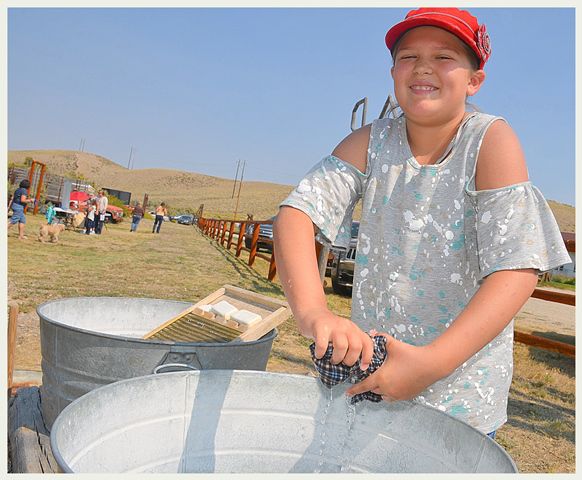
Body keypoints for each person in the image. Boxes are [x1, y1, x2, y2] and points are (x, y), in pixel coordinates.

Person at [273, 7, 571, 438]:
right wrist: (315, 313)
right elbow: (297, 214)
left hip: (459, 395)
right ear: (393, 72)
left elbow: (516, 266)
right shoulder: (371, 143)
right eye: (409, 56)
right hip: (373, 377)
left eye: (445, 57)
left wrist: (431, 364)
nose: (424, 66)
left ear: (474, 80)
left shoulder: (489, 141)